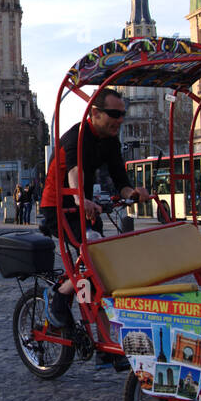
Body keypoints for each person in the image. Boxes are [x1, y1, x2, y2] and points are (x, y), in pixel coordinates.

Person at [39, 88, 149, 332]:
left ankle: (102, 345)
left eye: (123, 114)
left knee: (98, 274)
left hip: (86, 208)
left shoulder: (110, 141)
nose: (120, 120)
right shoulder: (77, 136)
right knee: (93, 261)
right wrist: (80, 198)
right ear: (95, 113)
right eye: (114, 114)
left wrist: (132, 193)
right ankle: (59, 294)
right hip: (59, 206)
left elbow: (120, 179)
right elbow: (74, 171)